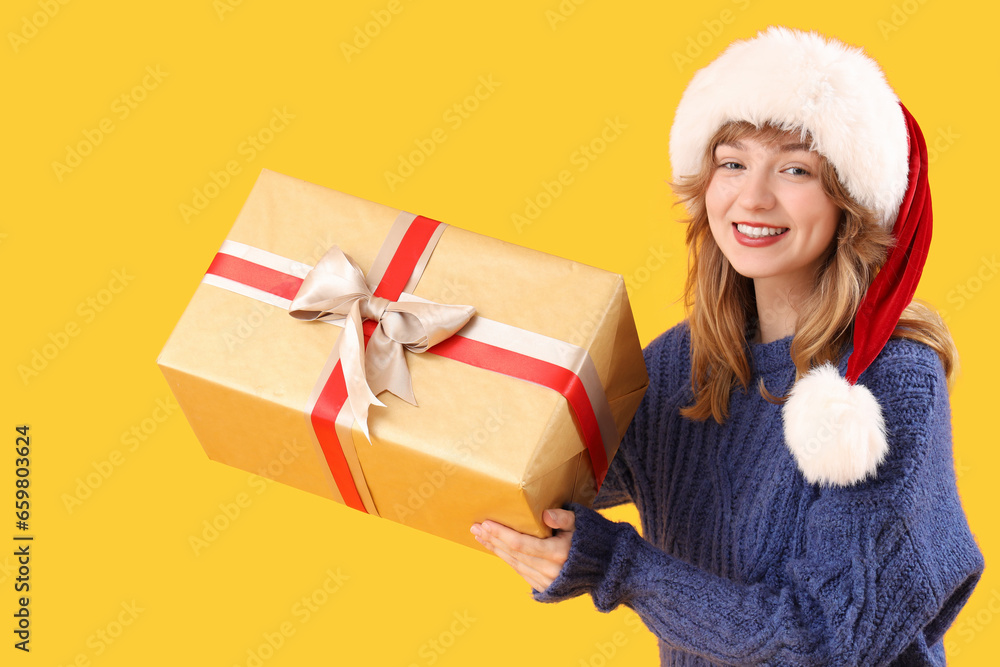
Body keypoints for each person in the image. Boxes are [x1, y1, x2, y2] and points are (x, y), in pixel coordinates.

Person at [469, 27, 984, 665]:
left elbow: (824, 643)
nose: (752, 197)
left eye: (795, 168)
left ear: (851, 204)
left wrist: (618, 566)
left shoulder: (886, 383)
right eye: (732, 162)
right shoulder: (682, 365)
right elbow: (539, 479)